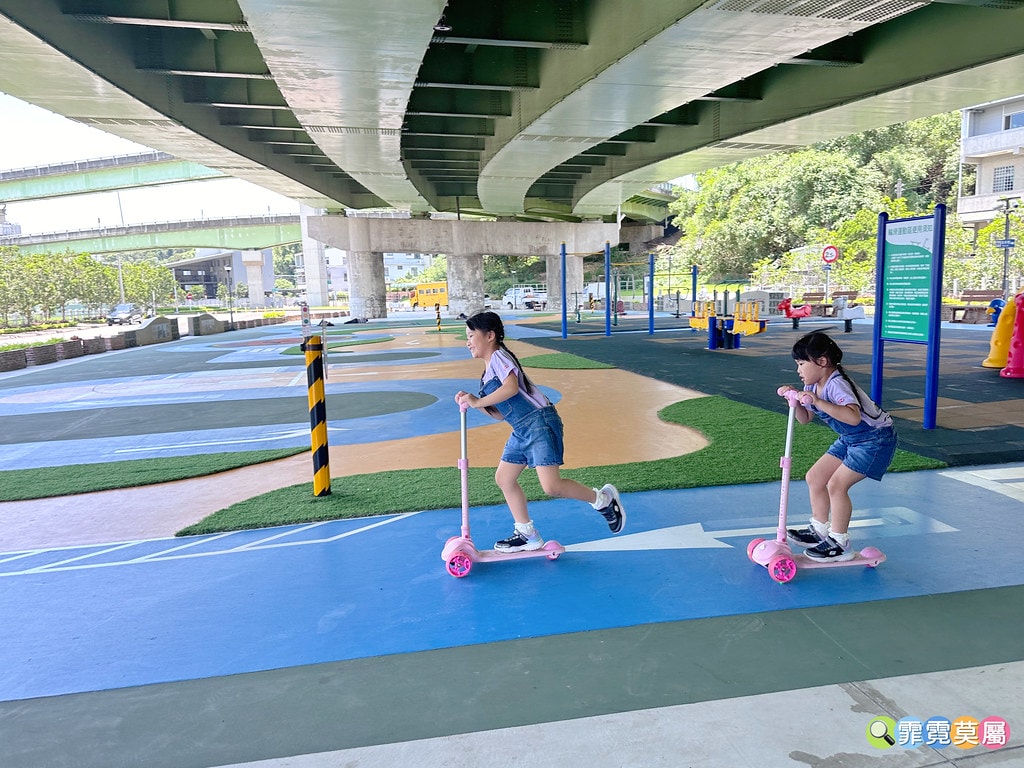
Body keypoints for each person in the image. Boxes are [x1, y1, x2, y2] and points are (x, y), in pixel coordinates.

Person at [454, 311, 625, 552]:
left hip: (539, 423)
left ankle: (603, 500)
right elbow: (501, 414)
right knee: (504, 478)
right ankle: (527, 533)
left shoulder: (499, 357)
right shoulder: (488, 371)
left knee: (552, 486)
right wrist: (472, 403)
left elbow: (511, 388)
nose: (468, 342)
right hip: (521, 428)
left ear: (490, 336)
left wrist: (478, 401)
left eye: (471, 335)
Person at [778, 331, 897, 561]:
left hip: (874, 439)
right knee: (815, 477)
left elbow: (852, 417)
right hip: (851, 438)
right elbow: (805, 419)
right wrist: (794, 401)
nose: (798, 370)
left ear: (822, 362)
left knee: (836, 485)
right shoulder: (812, 386)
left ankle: (840, 543)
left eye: (801, 364)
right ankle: (819, 529)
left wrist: (818, 401)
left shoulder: (837, 385)